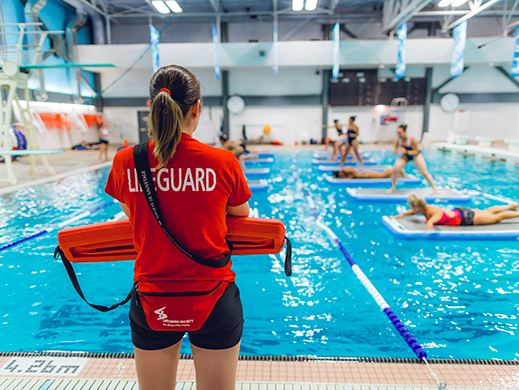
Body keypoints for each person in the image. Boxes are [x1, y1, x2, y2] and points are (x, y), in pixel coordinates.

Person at [104, 65, 252, 390]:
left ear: (151, 106)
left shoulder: (125, 161)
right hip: (214, 296)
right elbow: (241, 214)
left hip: (152, 295)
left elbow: (132, 215)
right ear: (197, 108)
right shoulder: (223, 162)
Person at [397, 195, 519, 230]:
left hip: (467, 218)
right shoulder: (423, 208)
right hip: (460, 213)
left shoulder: (432, 211)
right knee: (487, 211)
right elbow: (412, 212)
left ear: (418, 206)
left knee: (497, 218)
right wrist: (403, 214)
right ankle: (510, 206)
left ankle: (514, 211)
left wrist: (430, 224)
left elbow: (438, 215)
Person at [388, 124, 436, 193]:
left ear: (405, 132)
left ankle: (434, 189)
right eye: (397, 133)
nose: (398, 134)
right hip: (406, 156)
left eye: (400, 133)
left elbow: (416, 151)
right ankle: (393, 187)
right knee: (395, 168)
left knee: (424, 172)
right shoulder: (398, 140)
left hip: (416, 155)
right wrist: (398, 149)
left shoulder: (411, 139)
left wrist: (406, 151)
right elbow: (394, 151)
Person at [332, 166, 403, 179]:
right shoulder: (344, 172)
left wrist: (350, 177)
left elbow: (353, 170)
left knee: (382, 175)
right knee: (382, 175)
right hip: (364, 175)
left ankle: (397, 169)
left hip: (365, 174)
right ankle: (396, 170)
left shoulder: (344, 170)